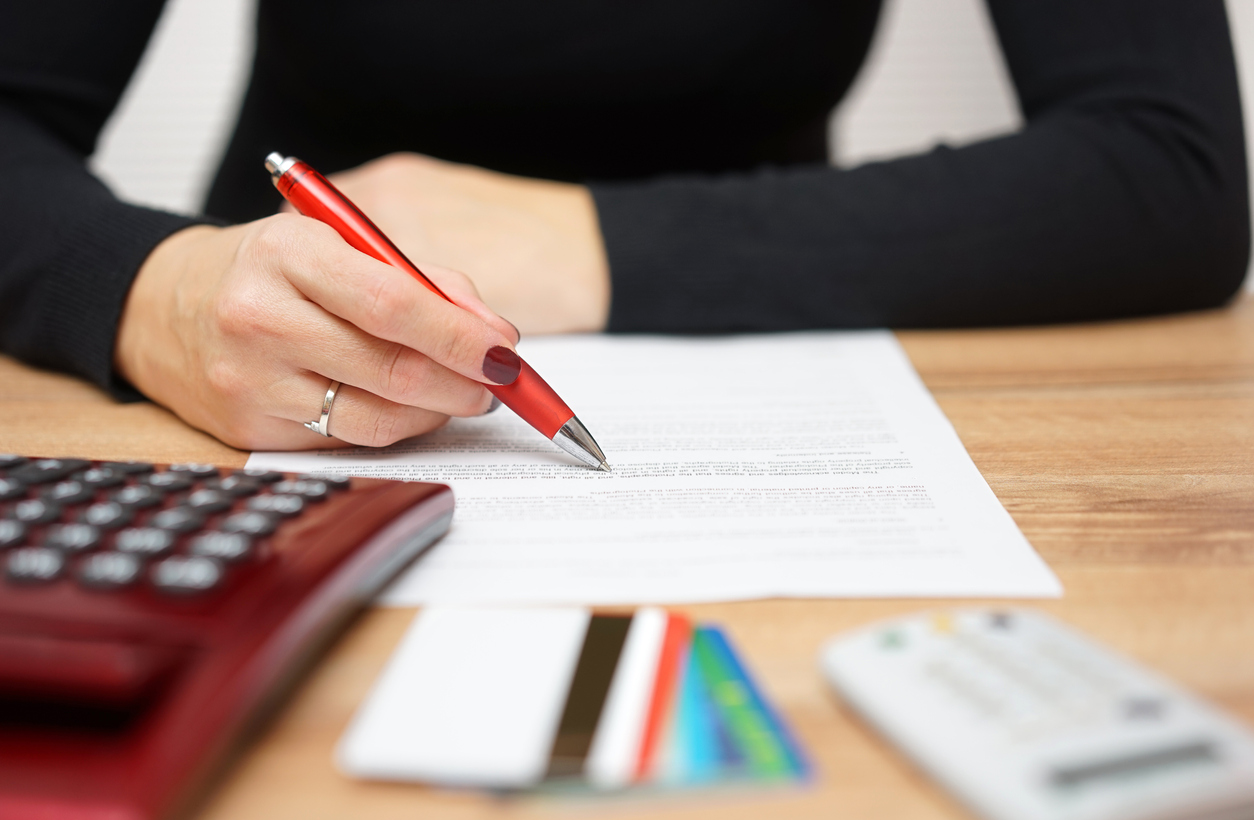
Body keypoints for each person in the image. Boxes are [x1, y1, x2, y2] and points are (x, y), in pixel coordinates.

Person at [0, 0, 1248, 451]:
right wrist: (151, 291)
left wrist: (585, 241)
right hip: (280, 381)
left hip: (785, 363)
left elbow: (1168, 164)